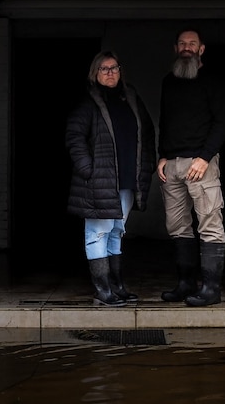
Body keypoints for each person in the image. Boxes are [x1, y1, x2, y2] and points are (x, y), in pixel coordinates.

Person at [65, 50, 156, 307]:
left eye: (114, 68)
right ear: (95, 72)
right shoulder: (88, 103)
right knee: (97, 233)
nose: (110, 73)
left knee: (117, 231)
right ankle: (102, 291)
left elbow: (147, 134)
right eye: (104, 69)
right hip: (99, 180)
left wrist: (146, 166)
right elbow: (74, 137)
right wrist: (89, 170)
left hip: (127, 179)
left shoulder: (131, 100)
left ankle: (117, 286)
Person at [157, 28, 225, 307]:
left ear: (201, 49)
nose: (187, 47)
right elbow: (165, 120)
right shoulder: (168, 82)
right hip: (172, 165)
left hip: (202, 163)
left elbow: (222, 122)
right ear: (176, 48)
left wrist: (205, 157)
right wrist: (163, 156)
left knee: (210, 224)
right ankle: (185, 284)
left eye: (192, 43)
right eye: (182, 43)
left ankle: (211, 289)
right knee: (177, 227)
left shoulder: (213, 81)